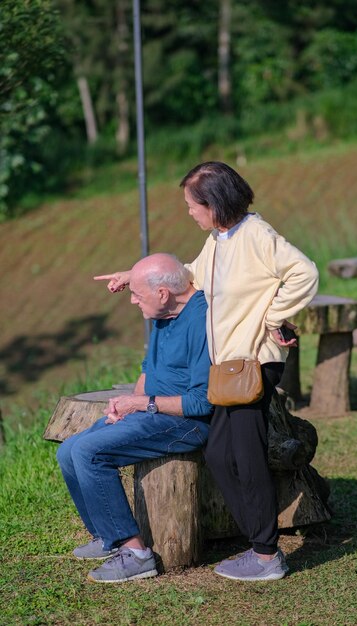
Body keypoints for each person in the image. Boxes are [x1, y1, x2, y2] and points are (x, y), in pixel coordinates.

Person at [95, 161, 319, 582]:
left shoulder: (256, 235)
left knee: (246, 454)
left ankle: (267, 556)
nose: (189, 213)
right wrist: (133, 275)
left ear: (214, 203)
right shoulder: (221, 239)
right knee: (218, 453)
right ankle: (256, 542)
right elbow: (190, 274)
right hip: (229, 368)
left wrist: (274, 316)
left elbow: (305, 273)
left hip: (252, 362)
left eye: (192, 205)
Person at [57, 253, 213, 583]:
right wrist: (126, 406)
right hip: (149, 411)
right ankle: (107, 535)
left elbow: (201, 403)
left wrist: (143, 404)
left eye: (137, 295)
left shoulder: (201, 320)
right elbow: (148, 370)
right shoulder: (163, 311)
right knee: (68, 450)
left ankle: (137, 553)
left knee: (90, 452)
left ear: (162, 293)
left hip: (184, 422)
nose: (132, 301)